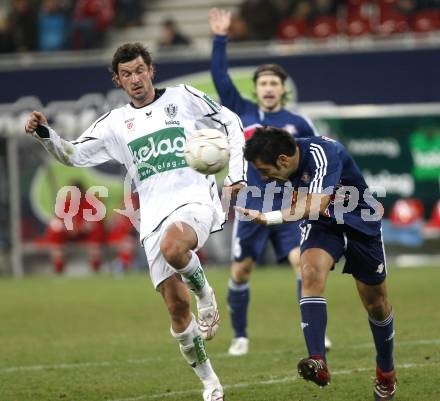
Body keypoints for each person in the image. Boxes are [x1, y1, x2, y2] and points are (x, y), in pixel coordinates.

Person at [24, 42, 247, 401]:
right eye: (127, 74)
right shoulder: (115, 123)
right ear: (118, 80)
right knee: (176, 311)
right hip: (153, 216)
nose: (135, 78)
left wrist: (235, 174)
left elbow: (232, 122)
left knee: (174, 247)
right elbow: (75, 154)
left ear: (151, 70)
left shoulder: (184, 96)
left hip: (194, 200)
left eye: (140, 70)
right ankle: (211, 383)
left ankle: (206, 294)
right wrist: (45, 134)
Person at [237, 127, 397, 401]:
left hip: (360, 222)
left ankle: (386, 371)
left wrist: (269, 218)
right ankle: (318, 361)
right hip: (323, 224)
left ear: (284, 161)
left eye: (265, 171)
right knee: (308, 272)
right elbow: (310, 209)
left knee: (376, 304)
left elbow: (315, 204)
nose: (264, 177)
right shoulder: (286, 162)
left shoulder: (323, 153)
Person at [208, 7, 331, 356]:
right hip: (250, 206)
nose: (268, 88)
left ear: (282, 90)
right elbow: (220, 78)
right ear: (257, 88)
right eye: (263, 83)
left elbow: (317, 157)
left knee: (303, 265)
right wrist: (220, 38)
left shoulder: (298, 123)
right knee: (242, 270)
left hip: (289, 207)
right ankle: (240, 336)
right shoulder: (241, 111)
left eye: (274, 83)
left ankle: (315, 333)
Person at [42, 180, 105, 274]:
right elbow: (58, 222)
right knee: (55, 231)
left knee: (97, 231)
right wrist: (70, 229)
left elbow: (97, 222)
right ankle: (59, 267)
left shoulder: (91, 203)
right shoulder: (65, 204)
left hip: (86, 236)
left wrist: (81, 228)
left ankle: (96, 267)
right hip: (68, 236)